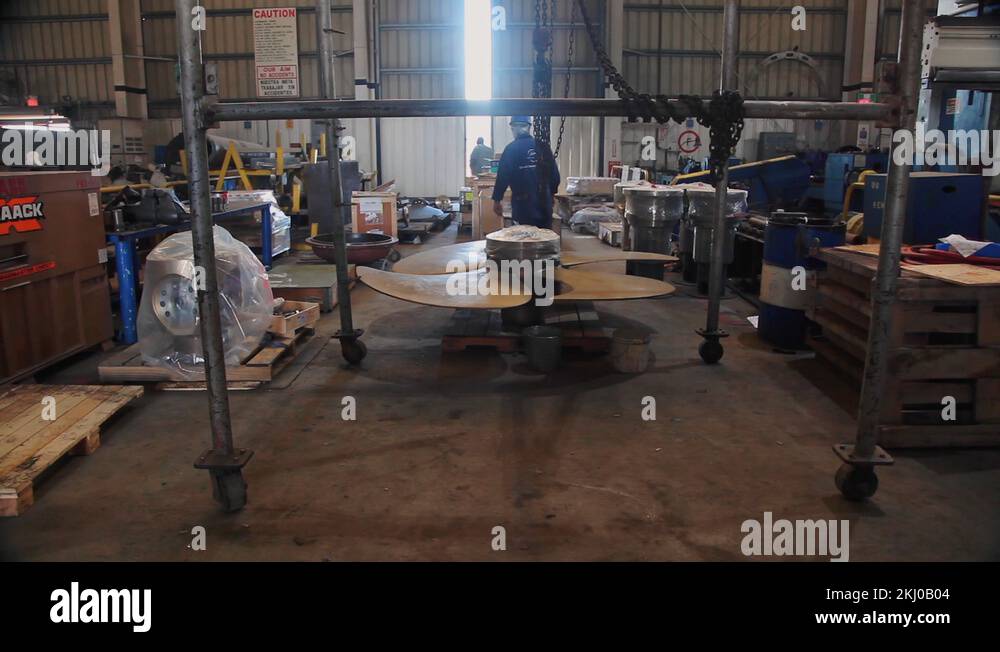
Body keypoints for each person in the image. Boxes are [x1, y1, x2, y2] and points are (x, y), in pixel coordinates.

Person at [491, 116, 560, 229]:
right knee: (545, 235)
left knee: (523, 236)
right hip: (544, 204)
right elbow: (554, 176)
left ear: (513, 128)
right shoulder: (543, 147)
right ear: (529, 127)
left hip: (522, 205)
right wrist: (551, 194)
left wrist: (497, 200)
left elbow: (502, 177)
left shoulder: (510, 149)